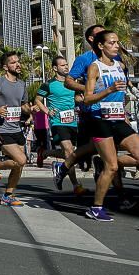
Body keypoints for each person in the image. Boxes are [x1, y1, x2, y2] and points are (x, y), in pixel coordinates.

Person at [60, 30, 139, 221]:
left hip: (118, 117)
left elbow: (121, 94)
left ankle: (102, 161)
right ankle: (96, 208)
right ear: (101, 46)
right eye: (112, 42)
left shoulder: (120, 65)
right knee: (112, 167)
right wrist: (108, 89)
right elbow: (89, 98)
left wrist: (124, 112)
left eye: (117, 42)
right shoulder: (94, 67)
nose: (116, 45)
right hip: (99, 118)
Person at [0, 52, 32, 207]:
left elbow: (23, 105)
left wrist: (30, 110)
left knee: (19, 164)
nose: (17, 64)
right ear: (5, 67)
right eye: (13, 62)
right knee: (21, 159)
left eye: (18, 62)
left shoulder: (22, 84)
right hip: (1, 129)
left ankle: (8, 195)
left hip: (16, 128)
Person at [37, 57, 86, 195]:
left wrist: (81, 100)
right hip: (58, 122)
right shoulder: (48, 84)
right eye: (62, 65)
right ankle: (76, 185)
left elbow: (76, 98)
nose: (66, 67)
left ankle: (45, 153)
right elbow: (38, 100)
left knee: (69, 154)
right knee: (69, 151)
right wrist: (47, 111)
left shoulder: (73, 83)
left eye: (66, 64)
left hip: (72, 121)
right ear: (55, 68)